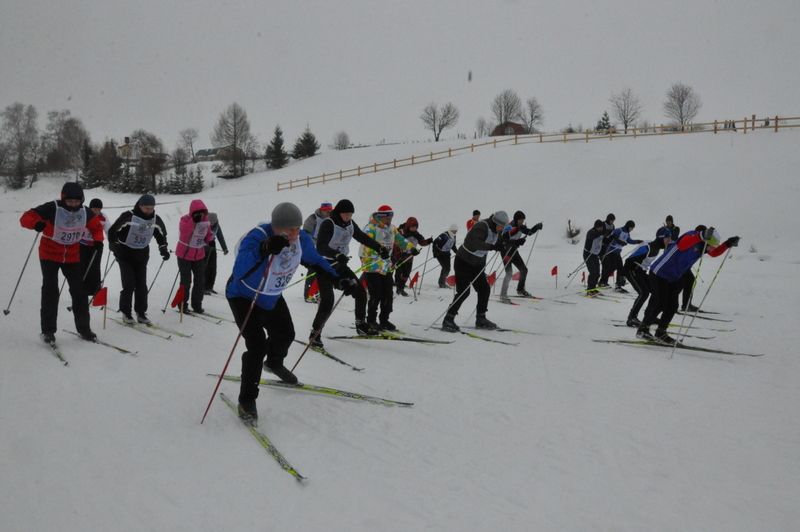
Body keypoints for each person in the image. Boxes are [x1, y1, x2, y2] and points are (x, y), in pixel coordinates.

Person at [226, 202, 340, 424]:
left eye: (297, 228)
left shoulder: (301, 240)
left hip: (271, 296)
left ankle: (274, 363)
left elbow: (316, 261)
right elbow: (240, 269)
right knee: (256, 346)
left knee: (286, 334)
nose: (295, 233)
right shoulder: (257, 236)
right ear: (277, 227)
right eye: (290, 229)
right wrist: (264, 249)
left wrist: (338, 277)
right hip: (244, 297)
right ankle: (247, 400)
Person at [19, 182, 105, 343]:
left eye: (76, 201)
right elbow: (26, 217)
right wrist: (36, 223)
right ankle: (48, 330)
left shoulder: (85, 212)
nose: (73, 204)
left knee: (79, 292)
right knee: (51, 290)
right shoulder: (52, 208)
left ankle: (84, 329)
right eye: (69, 201)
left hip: (72, 256)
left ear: (82, 200)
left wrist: (98, 240)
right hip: (49, 254)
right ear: (63, 198)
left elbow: (96, 228)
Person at [637, 226, 740, 344]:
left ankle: (661, 332)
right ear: (705, 239)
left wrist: (727, 244)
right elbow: (682, 245)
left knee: (672, 305)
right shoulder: (691, 236)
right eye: (711, 245)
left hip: (673, 277)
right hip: (659, 272)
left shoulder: (703, 246)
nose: (712, 249)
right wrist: (701, 235)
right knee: (660, 303)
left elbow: (714, 253)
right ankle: (643, 329)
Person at [310, 199, 385, 345]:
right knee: (327, 301)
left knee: (361, 292)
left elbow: (361, 237)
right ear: (338, 212)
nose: (348, 217)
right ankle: (315, 334)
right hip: (325, 265)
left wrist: (379, 248)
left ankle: (360, 324)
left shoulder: (350, 223)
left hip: (340, 264)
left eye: (350, 214)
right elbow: (320, 247)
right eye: (346, 214)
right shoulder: (328, 223)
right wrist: (336, 254)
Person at [441, 210, 510, 332]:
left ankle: (481, 319)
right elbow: (475, 243)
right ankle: (448, 319)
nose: (501, 229)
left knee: (484, 289)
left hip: (477, 265)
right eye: (501, 226)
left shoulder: (496, 230)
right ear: (495, 222)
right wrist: (492, 247)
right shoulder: (481, 226)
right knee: (464, 291)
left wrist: (508, 244)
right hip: (463, 261)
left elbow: (498, 242)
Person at [108, 194, 170, 324]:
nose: (148, 210)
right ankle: (126, 312)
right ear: (140, 206)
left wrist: (163, 248)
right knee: (129, 284)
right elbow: (113, 231)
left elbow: (161, 234)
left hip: (141, 254)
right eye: (146, 208)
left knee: (141, 285)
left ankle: (141, 313)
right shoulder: (129, 216)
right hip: (125, 253)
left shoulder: (155, 219)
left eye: (151, 208)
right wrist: (114, 245)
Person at [359, 205, 417, 331]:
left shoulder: (392, 228)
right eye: (388, 217)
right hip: (372, 266)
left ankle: (384, 320)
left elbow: (401, 240)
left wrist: (411, 248)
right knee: (376, 294)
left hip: (386, 267)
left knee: (388, 295)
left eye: (391, 216)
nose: (390, 219)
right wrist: (378, 252)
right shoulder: (370, 228)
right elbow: (365, 246)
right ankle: (371, 321)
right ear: (381, 216)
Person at [622, 233, 671, 327]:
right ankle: (631, 318)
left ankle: (649, 316)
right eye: (667, 238)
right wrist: (622, 275)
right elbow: (629, 261)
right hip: (632, 270)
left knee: (656, 292)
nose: (669, 240)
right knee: (643, 293)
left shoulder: (658, 247)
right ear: (661, 238)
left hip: (641, 271)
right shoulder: (648, 247)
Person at [175, 200, 214, 314]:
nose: (201, 215)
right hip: (184, 255)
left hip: (199, 255)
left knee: (200, 281)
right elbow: (184, 233)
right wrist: (193, 221)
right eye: (198, 212)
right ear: (193, 212)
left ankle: (197, 305)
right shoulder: (185, 220)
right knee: (186, 281)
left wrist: (210, 240)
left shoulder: (206, 221)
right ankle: (182, 304)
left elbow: (208, 234)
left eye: (203, 212)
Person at [499, 210, 543, 299]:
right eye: (521, 220)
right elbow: (504, 241)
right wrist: (517, 241)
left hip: (513, 251)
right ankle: (503, 294)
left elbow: (529, 232)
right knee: (509, 273)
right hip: (506, 252)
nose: (522, 222)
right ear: (516, 219)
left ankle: (520, 290)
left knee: (524, 270)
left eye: (523, 220)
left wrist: (536, 227)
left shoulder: (520, 227)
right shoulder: (509, 227)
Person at [301, 202, 333, 302]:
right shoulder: (313, 218)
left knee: (326, 271)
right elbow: (306, 234)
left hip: (326, 248)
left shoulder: (332, 220)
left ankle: (320, 293)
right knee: (313, 270)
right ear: (321, 210)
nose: (328, 213)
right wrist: (311, 247)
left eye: (330, 211)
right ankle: (309, 295)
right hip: (313, 248)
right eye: (326, 211)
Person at [394, 217, 432, 296]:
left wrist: (428, 241)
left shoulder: (416, 234)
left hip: (410, 256)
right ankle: (399, 288)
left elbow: (422, 242)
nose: (414, 228)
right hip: (399, 255)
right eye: (412, 227)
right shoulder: (401, 232)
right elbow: (396, 242)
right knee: (399, 272)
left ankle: (401, 287)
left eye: (415, 227)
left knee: (406, 273)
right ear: (408, 226)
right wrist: (401, 251)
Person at [601, 220, 642, 292]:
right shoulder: (618, 230)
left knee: (612, 267)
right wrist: (620, 242)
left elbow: (629, 241)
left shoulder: (627, 233)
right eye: (631, 228)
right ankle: (618, 285)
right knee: (620, 267)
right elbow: (611, 238)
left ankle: (603, 281)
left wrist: (638, 241)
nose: (632, 230)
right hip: (611, 251)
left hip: (617, 252)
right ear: (628, 226)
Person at [78, 198, 109, 296]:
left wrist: (112, 240)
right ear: (90, 208)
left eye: (99, 210)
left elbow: (109, 229)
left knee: (95, 268)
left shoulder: (103, 217)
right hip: (82, 245)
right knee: (82, 266)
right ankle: (81, 290)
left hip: (97, 245)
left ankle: (95, 291)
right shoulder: (84, 215)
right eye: (94, 209)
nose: (96, 212)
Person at [203, 212, 229, 295]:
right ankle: (204, 287)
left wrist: (224, 248)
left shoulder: (216, 225)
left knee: (213, 267)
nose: (212, 226)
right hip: (203, 245)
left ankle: (210, 287)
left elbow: (220, 236)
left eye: (213, 224)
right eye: (211, 224)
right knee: (205, 267)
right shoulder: (203, 224)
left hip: (212, 244)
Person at [583, 219, 605, 294]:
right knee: (593, 272)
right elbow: (593, 235)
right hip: (588, 254)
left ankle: (593, 288)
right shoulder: (591, 232)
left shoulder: (600, 232)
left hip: (595, 255)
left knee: (597, 273)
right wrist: (602, 233)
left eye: (602, 227)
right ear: (596, 227)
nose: (601, 229)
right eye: (600, 227)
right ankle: (589, 289)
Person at [597, 213, 616, 287]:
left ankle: (604, 281)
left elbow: (612, 235)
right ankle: (602, 282)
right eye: (611, 220)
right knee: (606, 264)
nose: (612, 222)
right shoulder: (603, 224)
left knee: (612, 265)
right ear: (608, 219)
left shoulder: (613, 226)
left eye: (613, 220)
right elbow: (599, 235)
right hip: (601, 248)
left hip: (608, 248)